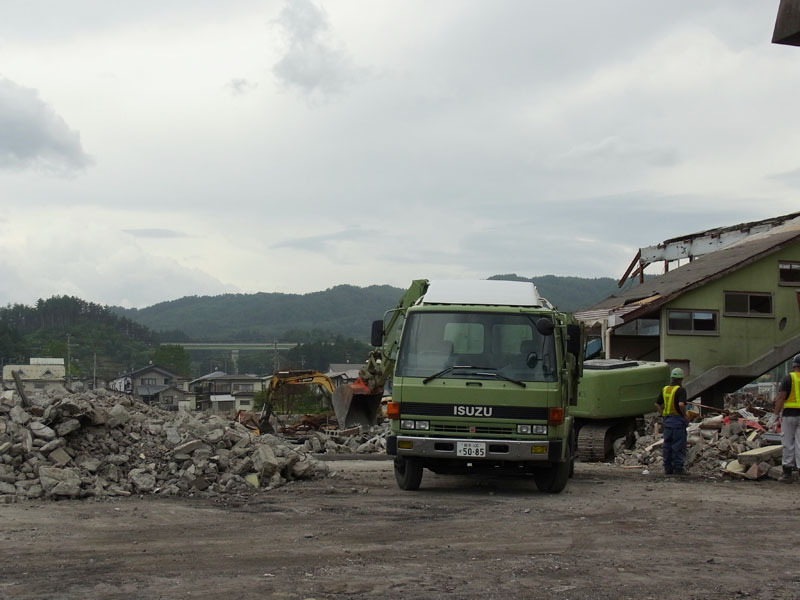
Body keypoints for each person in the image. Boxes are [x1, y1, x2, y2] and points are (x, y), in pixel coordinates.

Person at [771, 353, 800, 483]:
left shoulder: (789, 378)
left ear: (794, 365)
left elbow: (781, 398)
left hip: (790, 415)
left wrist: (775, 416)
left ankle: (787, 474)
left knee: (788, 443)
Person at [655, 367, 689, 476]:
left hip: (668, 420)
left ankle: (668, 469)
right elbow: (681, 404)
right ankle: (678, 468)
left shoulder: (665, 389)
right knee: (678, 445)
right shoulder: (681, 390)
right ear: (681, 379)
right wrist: (685, 416)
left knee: (667, 445)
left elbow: (656, 404)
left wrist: (663, 414)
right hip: (678, 421)